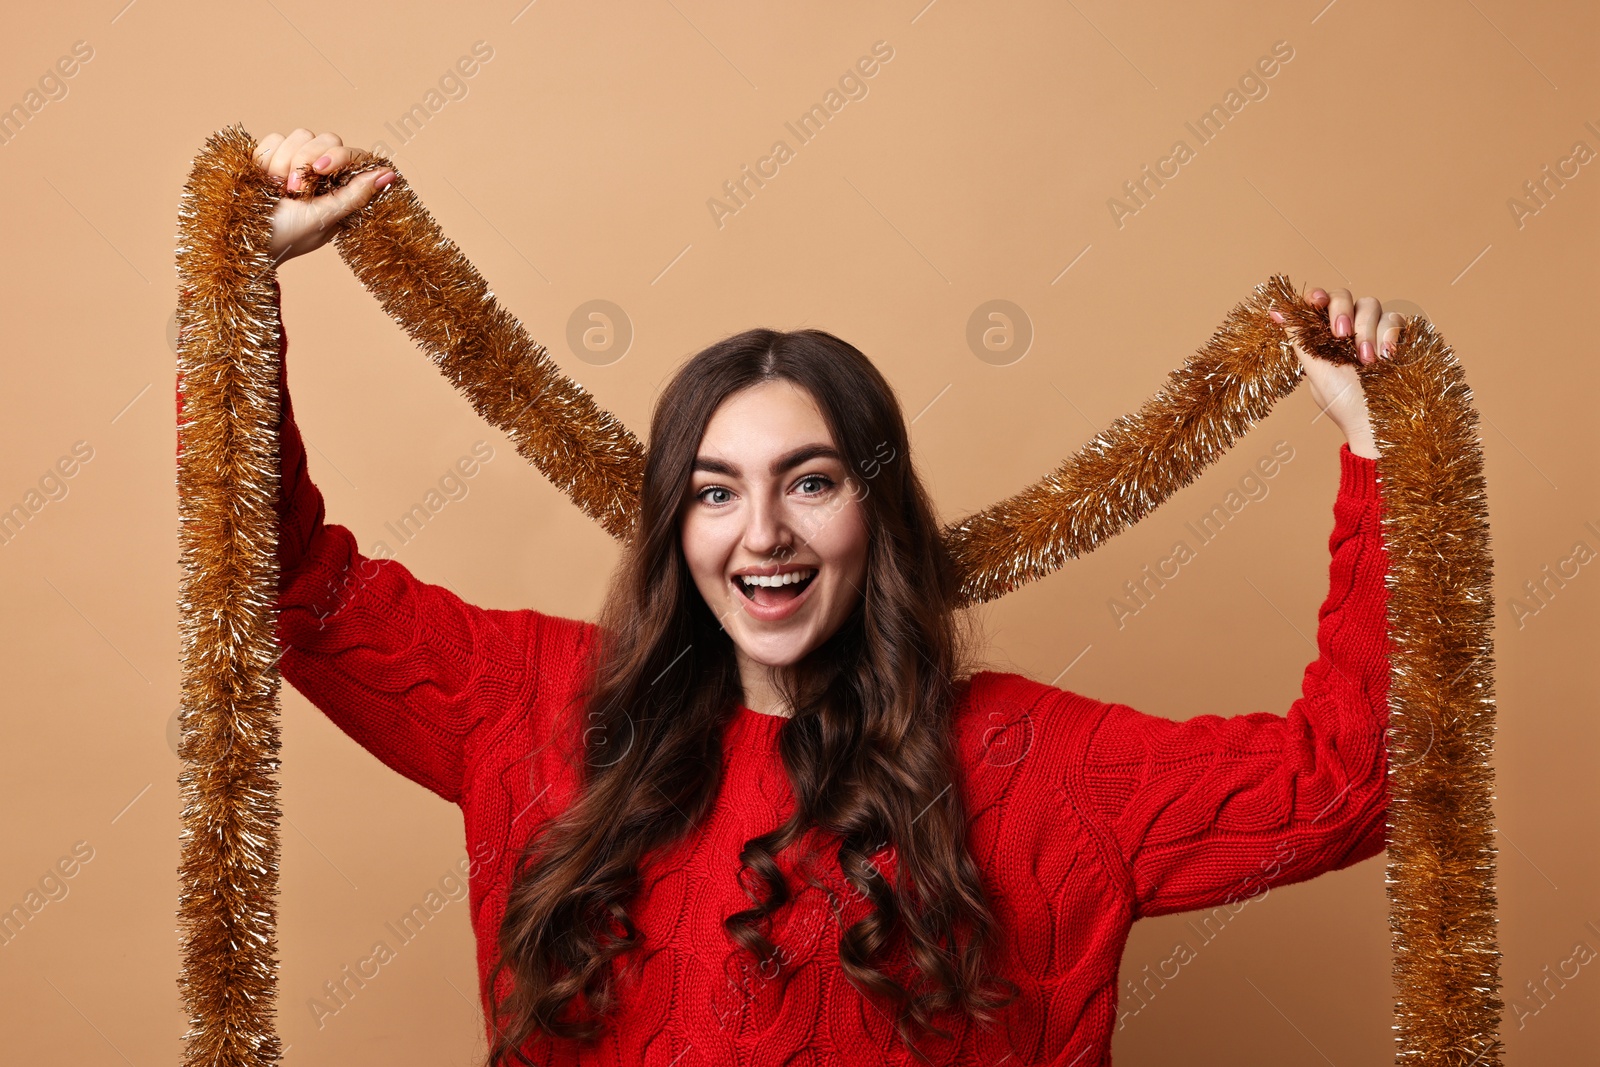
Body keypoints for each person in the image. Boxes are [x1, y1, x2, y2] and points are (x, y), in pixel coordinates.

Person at [177, 128, 1405, 1067]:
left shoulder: (1039, 766)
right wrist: (245, 282)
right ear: (674, 527)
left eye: (808, 482)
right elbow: (286, 590)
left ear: (877, 509)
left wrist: (1376, 458)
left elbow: (1351, 782)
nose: (761, 532)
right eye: (714, 492)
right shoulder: (534, 702)